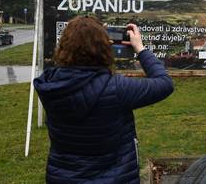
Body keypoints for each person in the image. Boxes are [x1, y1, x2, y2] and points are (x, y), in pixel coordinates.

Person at [33, 16, 174, 183]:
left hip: (64, 177)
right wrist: (141, 49)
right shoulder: (116, 88)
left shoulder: (50, 84)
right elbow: (164, 83)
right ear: (104, 47)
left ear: (64, 45)